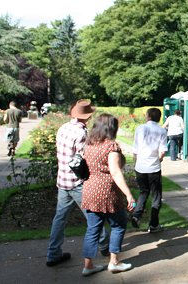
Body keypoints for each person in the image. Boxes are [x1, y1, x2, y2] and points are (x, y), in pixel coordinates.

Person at [46, 100, 109, 267]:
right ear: (87, 116)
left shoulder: (63, 128)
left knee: (59, 219)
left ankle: (53, 254)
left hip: (62, 180)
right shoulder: (81, 133)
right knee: (94, 215)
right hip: (77, 181)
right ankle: (105, 246)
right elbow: (83, 158)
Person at [81, 113, 135, 276]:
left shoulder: (89, 144)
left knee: (92, 230)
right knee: (119, 225)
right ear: (112, 128)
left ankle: (88, 266)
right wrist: (128, 194)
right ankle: (114, 262)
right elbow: (116, 172)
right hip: (107, 193)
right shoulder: (111, 146)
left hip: (89, 191)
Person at [130, 108, 168, 232]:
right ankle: (153, 224)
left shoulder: (139, 129)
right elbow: (162, 151)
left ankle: (136, 215)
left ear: (148, 117)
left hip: (140, 167)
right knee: (156, 196)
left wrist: (136, 163)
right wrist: (159, 160)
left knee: (143, 192)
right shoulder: (161, 130)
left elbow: (135, 150)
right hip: (154, 167)